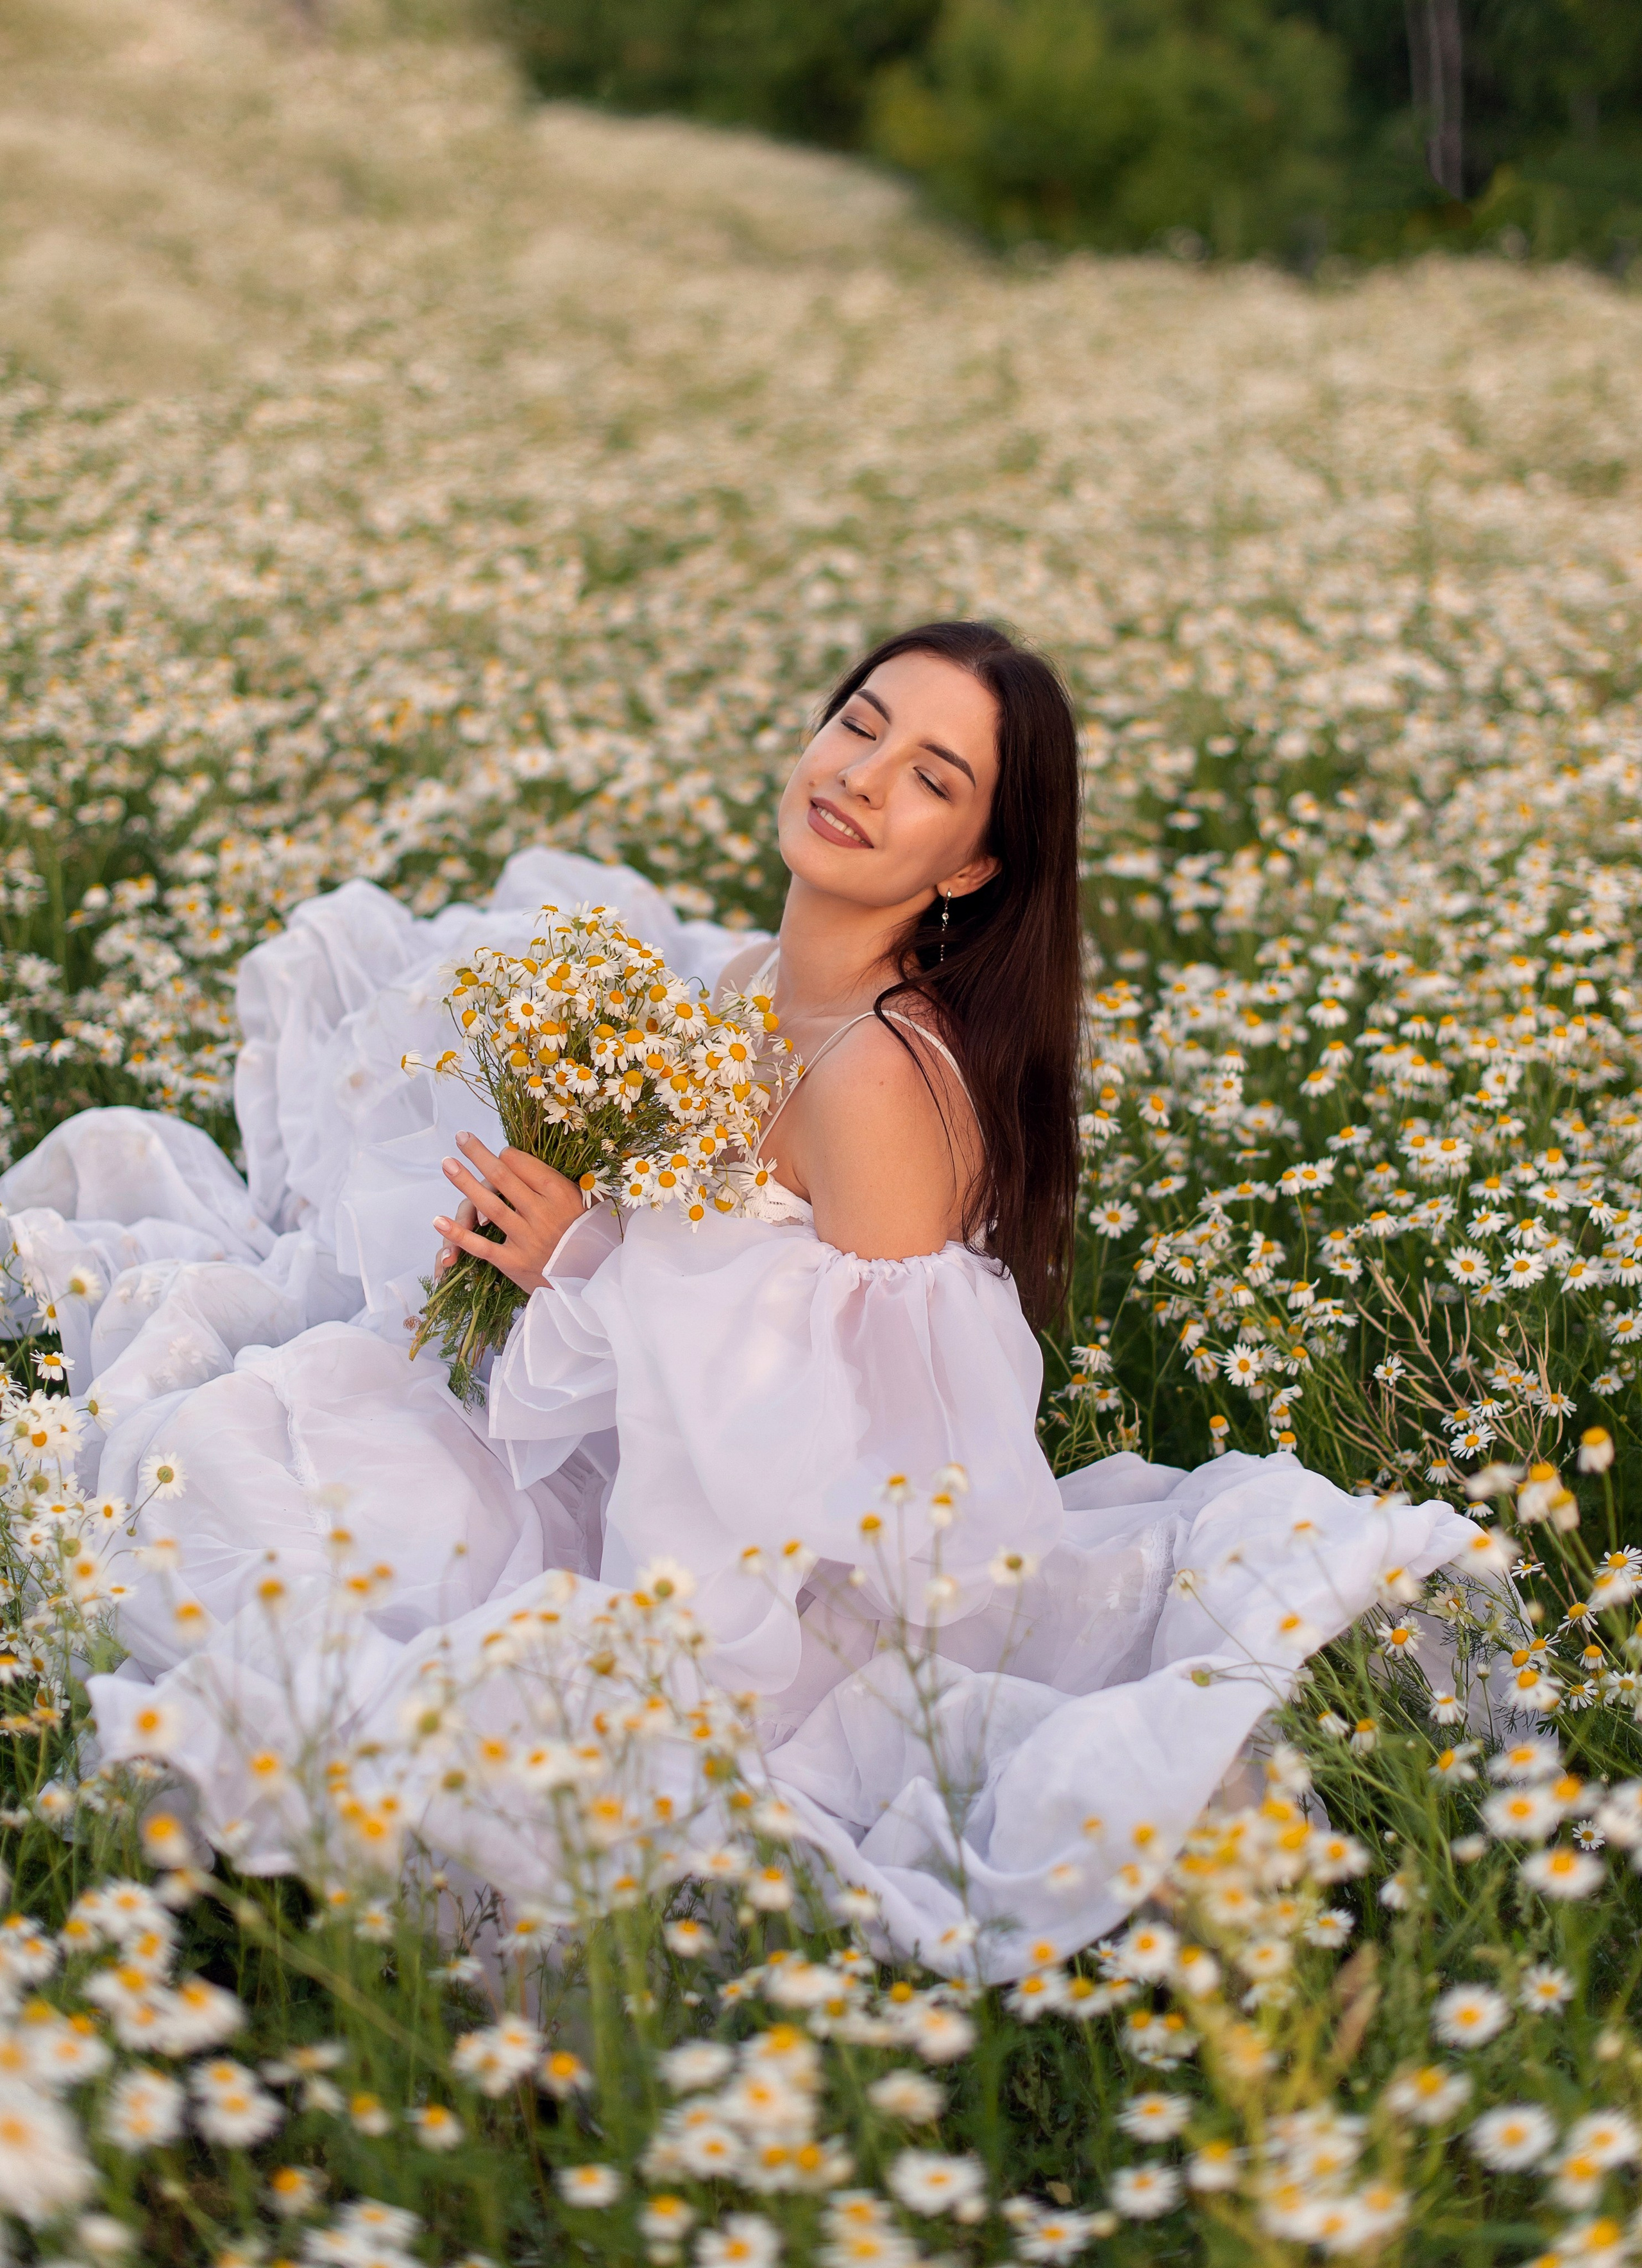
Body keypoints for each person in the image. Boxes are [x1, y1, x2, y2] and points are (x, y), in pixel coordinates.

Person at [0, 621, 1473, 1976]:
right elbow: (703, 1262)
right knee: (277, 1422)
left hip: (775, 1603)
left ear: (970, 865)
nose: (862, 777)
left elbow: (880, 1464)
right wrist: (535, 1243)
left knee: (269, 1492)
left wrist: (584, 1268)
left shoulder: (883, 1079)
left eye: (930, 776)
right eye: (859, 725)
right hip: (646, 1474)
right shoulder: (758, 977)